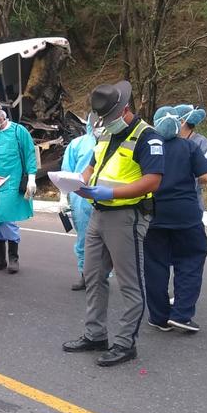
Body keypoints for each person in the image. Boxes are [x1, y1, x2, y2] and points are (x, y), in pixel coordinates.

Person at [62, 81, 164, 367]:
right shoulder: (106, 135)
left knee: (129, 283)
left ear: (125, 110)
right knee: (94, 276)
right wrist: (78, 182)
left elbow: (153, 180)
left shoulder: (148, 137)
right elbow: (92, 165)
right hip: (98, 214)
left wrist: (112, 192)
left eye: (108, 118)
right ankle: (95, 334)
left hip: (126, 216)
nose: (104, 123)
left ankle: (125, 343)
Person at [143, 107, 207, 333]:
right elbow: (205, 176)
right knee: (191, 259)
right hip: (186, 214)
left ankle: (159, 316)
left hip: (153, 214)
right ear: (177, 124)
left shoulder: (147, 147)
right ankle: (182, 314)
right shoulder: (189, 146)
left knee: (155, 265)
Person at [0, 106, 36, 274]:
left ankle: (13, 257)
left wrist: (32, 177)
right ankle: (0, 259)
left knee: (7, 218)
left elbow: (29, 153)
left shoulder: (18, 131)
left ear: (1, 117)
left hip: (12, 182)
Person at [59, 113, 100, 291]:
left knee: (109, 241)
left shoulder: (116, 142)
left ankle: (101, 276)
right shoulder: (78, 144)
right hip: (81, 200)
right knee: (85, 238)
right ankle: (85, 275)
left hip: (111, 196)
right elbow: (67, 172)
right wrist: (63, 196)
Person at [174, 104, 207, 211]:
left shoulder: (201, 142)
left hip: (192, 198)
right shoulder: (171, 141)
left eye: (174, 120)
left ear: (182, 122)